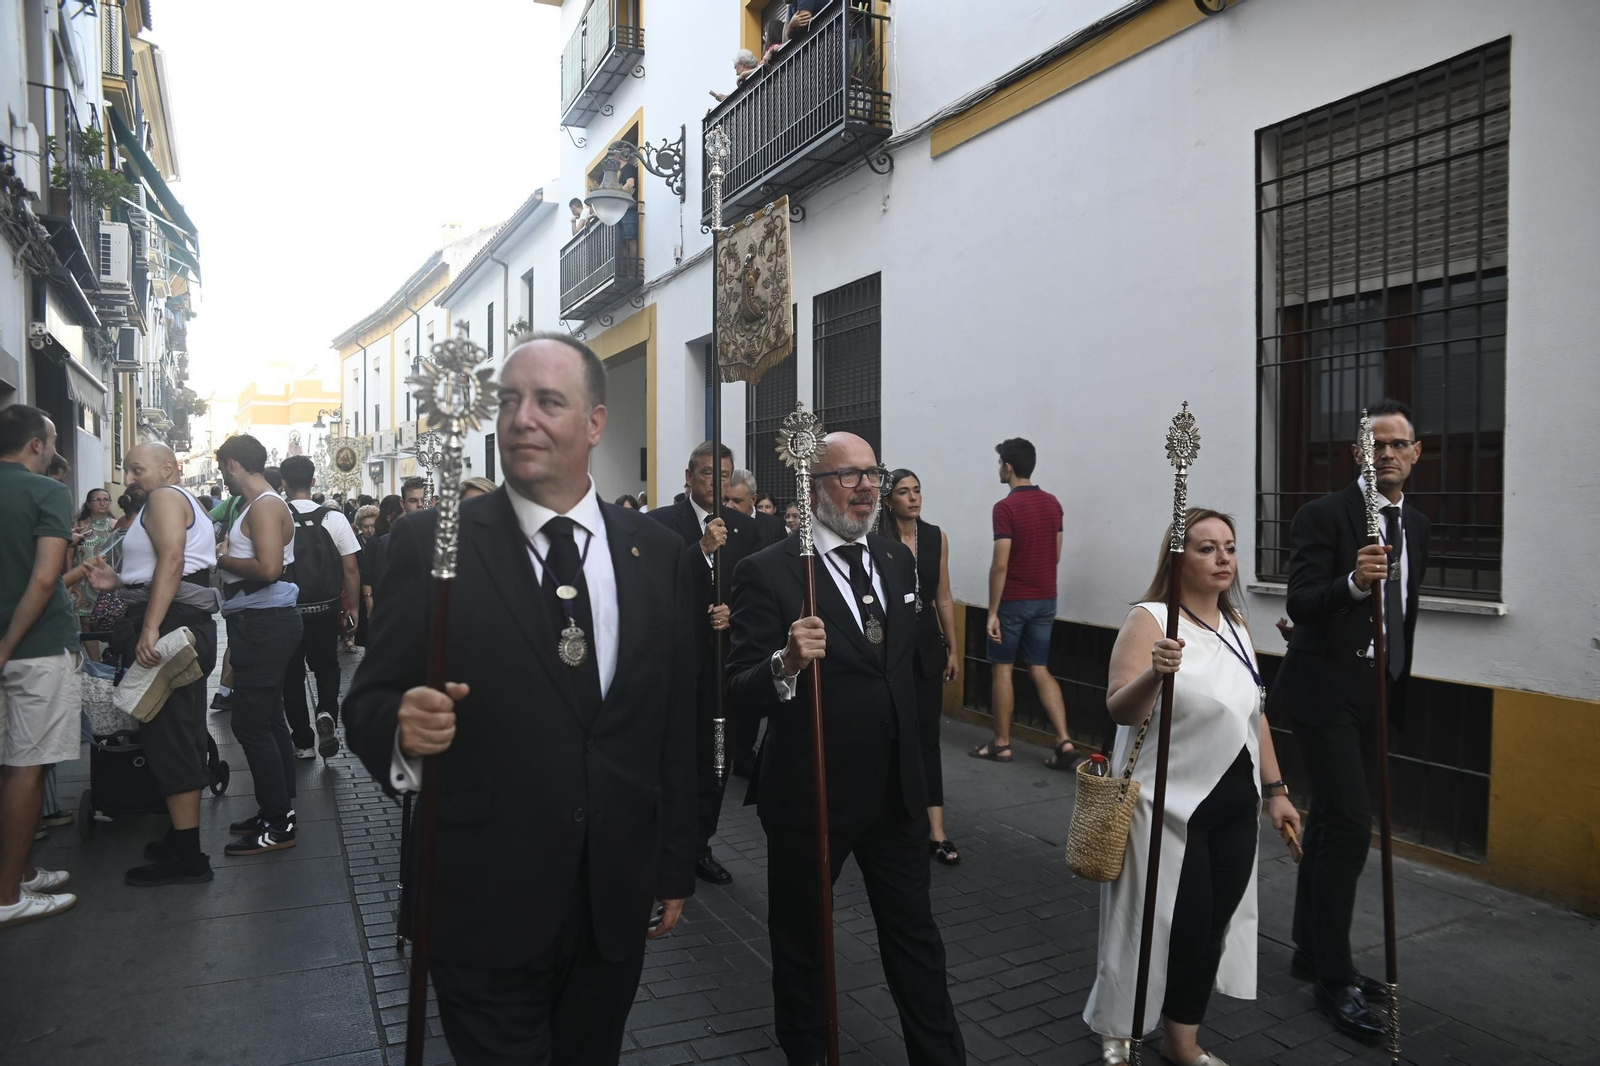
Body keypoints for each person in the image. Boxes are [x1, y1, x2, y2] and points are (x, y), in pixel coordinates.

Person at [344, 332, 699, 1065]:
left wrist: (673, 863)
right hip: (481, 899)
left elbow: (674, 722)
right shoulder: (432, 543)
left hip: (610, 899)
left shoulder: (657, 553)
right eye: (508, 401)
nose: (521, 418)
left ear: (595, 422)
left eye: (547, 401)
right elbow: (369, 702)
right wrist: (401, 731)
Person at [727, 433, 965, 1064]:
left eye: (872, 474)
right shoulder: (769, 571)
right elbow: (738, 687)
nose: (867, 488)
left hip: (895, 791)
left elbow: (903, 670)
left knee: (916, 940)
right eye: (849, 476)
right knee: (804, 946)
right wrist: (785, 662)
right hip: (815, 793)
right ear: (813, 487)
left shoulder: (896, 559)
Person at [1085, 509, 1300, 1066]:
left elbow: (1255, 713)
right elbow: (1119, 708)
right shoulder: (1151, 619)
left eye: (1229, 547)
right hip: (1165, 806)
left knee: (1210, 930)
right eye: (1207, 548)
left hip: (1234, 806)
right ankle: (1121, 1020)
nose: (1223, 558)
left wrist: (1276, 790)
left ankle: (1182, 1041)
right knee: (1158, 924)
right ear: (1178, 559)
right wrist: (1155, 673)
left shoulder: (1237, 626)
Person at [1271, 398, 1430, 1041]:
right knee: (1350, 827)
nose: (1386, 453)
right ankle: (1334, 979)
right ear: (1358, 454)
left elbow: (1405, 613)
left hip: (1376, 693)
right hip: (1325, 691)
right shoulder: (1324, 515)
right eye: (1375, 444)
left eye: (1398, 444)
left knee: (1335, 822)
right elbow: (1302, 601)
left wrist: (1394, 680)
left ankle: (1311, 949)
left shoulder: (1417, 525)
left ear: (1416, 453)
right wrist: (1355, 583)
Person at [85, 443, 223, 887]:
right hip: (175, 620)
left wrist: (150, 626)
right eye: (128, 470)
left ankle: (189, 859)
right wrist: (118, 582)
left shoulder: (164, 497)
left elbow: (174, 561)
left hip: (171, 624)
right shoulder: (174, 500)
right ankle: (180, 839)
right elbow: (164, 566)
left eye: (136, 469)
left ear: (168, 468)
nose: (129, 479)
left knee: (172, 737)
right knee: (173, 731)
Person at [648, 442, 759, 885]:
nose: (716, 481)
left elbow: (756, 594)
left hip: (722, 663)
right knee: (673, 757)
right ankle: (663, 842)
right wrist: (701, 550)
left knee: (716, 758)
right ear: (689, 476)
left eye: (724, 474)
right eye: (708, 472)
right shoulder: (660, 524)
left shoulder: (746, 529)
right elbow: (654, 587)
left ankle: (699, 845)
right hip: (675, 663)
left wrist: (734, 615)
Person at [0, 406, 81, 928]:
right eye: (51, 440)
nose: (54, 448)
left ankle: (20, 871)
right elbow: (46, 577)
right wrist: (8, 643)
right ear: (36, 445)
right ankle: (8, 896)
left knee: (8, 767)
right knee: (27, 768)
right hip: (36, 648)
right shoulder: (47, 492)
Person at [214, 434, 304, 857]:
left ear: (232, 465)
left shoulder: (265, 506)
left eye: (223, 470)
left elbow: (268, 568)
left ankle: (278, 823)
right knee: (268, 720)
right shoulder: (259, 505)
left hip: (264, 625)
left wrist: (221, 558)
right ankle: (278, 808)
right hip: (262, 623)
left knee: (251, 725)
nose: (224, 478)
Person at [972, 437, 1077, 769]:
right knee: (1039, 668)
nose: (999, 469)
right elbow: (1055, 555)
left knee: (1003, 669)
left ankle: (1002, 744)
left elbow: (1000, 564)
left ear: (1008, 467)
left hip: (1014, 601)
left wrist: (992, 612)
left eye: (999, 463)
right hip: (1046, 599)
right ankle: (1064, 741)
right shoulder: (1053, 503)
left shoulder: (1005, 508)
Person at [883, 469, 962, 866]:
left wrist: (954, 648)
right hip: (890, 646)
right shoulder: (878, 539)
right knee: (894, 731)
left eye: (917, 490)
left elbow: (943, 597)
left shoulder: (935, 537)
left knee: (928, 736)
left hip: (928, 645)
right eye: (903, 492)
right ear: (889, 500)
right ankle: (893, 815)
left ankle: (937, 829)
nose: (913, 498)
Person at [279, 456, 360, 762]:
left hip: (289, 608)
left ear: (283, 483)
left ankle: (303, 742)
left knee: (292, 674)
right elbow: (351, 569)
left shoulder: (277, 516)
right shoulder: (334, 518)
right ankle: (326, 710)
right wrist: (353, 608)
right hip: (326, 608)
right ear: (313, 481)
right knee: (327, 666)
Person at [71, 488, 117, 660]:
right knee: (87, 622)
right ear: (89, 504)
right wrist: (69, 582)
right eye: (97, 500)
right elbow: (68, 556)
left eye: (106, 499)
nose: (102, 503)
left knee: (113, 619)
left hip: (110, 580)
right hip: (84, 581)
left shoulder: (117, 525)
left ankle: (113, 656)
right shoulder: (79, 526)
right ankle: (95, 662)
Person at [724, 468, 786, 550]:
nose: (729, 506)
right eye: (725, 499)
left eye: (737, 501)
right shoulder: (716, 523)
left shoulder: (775, 527)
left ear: (753, 500)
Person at [353, 504, 379, 649]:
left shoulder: (380, 541)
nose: (370, 530)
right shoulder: (354, 543)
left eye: (373, 526)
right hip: (359, 592)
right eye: (366, 526)